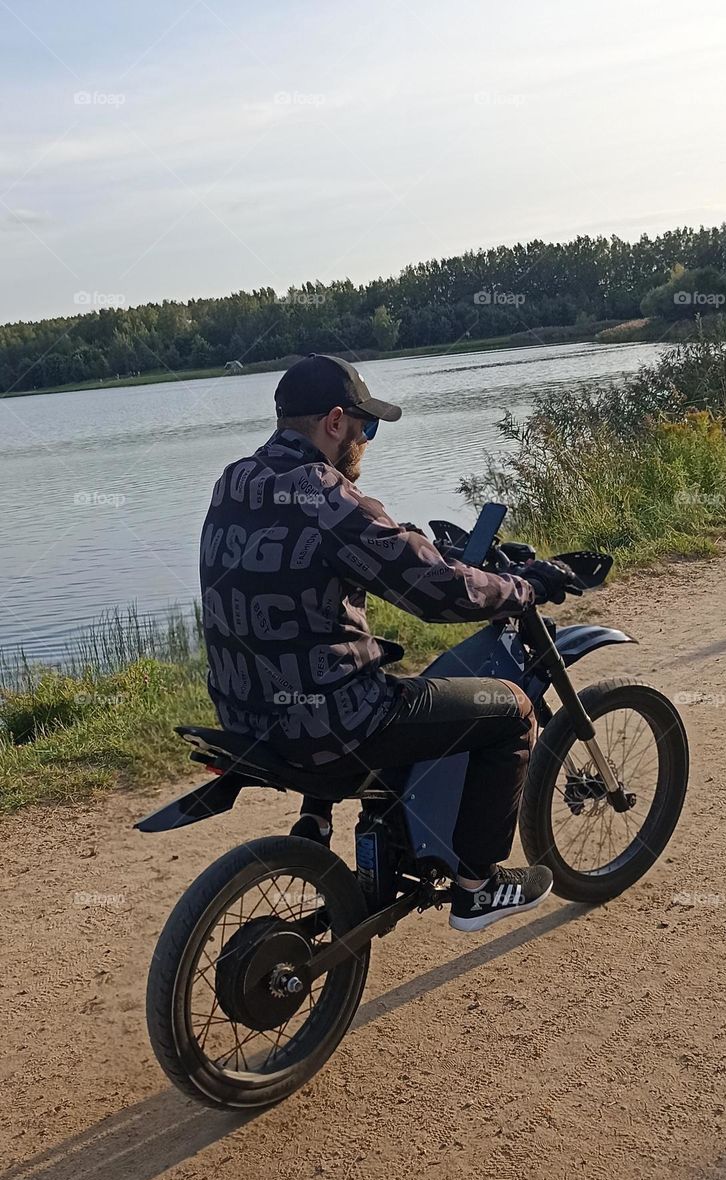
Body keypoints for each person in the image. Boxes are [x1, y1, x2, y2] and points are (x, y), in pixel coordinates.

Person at [199, 353, 579, 931]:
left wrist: (415, 548)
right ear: (335, 422)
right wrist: (523, 588)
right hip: (334, 723)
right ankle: (477, 887)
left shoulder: (234, 480)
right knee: (512, 710)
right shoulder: (323, 492)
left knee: (346, 666)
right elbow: (433, 595)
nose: (366, 443)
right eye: (366, 427)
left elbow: (352, 554)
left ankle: (320, 822)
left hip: (245, 714)